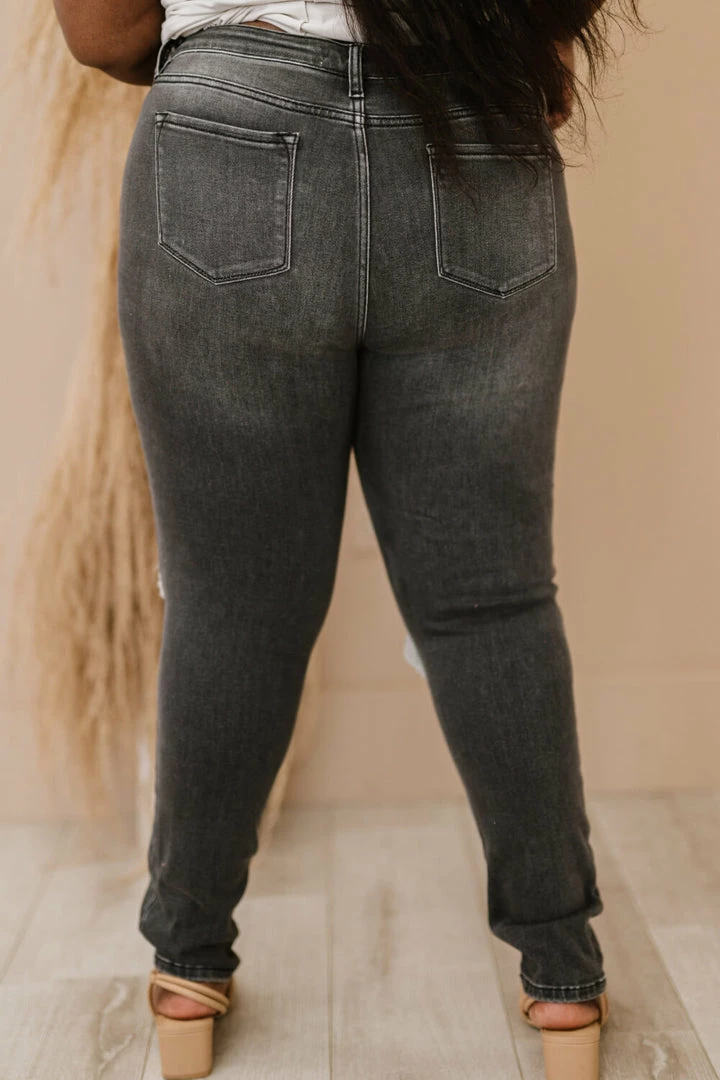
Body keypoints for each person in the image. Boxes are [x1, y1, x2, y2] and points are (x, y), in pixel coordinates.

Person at [53, 1, 646, 1077]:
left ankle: (187, 969)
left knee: (233, 603)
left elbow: (99, 31)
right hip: (475, 126)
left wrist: (229, 70)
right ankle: (565, 979)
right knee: (493, 599)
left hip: (227, 137)